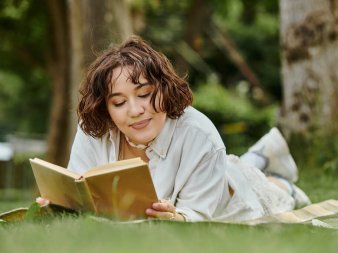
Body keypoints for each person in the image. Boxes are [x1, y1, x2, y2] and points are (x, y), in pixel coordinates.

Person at [41, 36, 310, 222]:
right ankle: (261, 155)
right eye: (119, 102)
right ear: (106, 108)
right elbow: (78, 188)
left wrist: (178, 217)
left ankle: (281, 180)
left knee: (269, 190)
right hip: (211, 168)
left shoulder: (200, 135)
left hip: (231, 198)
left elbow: (196, 217)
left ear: (164, 89)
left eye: (144, 94)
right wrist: (59, 205)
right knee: (232, 164)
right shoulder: (95, 129)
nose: (135, 110)